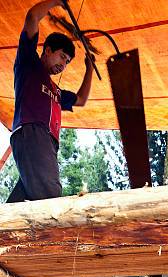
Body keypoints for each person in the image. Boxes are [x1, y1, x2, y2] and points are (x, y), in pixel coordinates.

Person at [7, 0, 93, 203]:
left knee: (23, 201)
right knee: (50, 198)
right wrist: (56, 1)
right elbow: (32, 17)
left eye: (67, 62)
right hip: (33, 133)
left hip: (46, 143)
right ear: (47, 50)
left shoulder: (56, 91)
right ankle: (55, 236)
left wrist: (89, 68)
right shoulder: (28, 65)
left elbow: (80, 100)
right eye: (62, 57)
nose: (63, 65)